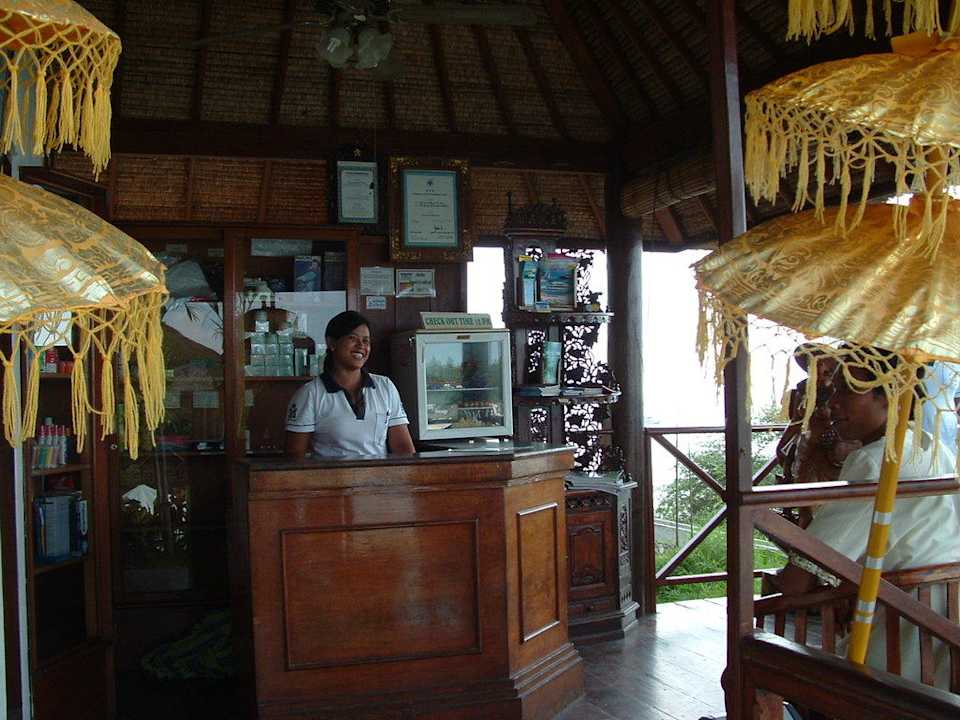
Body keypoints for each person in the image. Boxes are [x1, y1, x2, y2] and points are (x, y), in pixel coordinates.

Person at [772, 352, 960, 687]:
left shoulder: (875, 462)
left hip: (899, 646)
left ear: (888, 395)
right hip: (943, 629)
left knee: (757, 658)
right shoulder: (928, 446)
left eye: (848, 390)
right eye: (834, 392)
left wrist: (780, 572)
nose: (833, 405)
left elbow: (798, 580)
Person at [285, 310, 416, 459]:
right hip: (332, 480)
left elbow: (403, 448)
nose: (361, 346)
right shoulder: (310, 394)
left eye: (366, 341)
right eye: (353, 338)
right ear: (332, 343)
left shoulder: (385, 386)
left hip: (379, 479)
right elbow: (294, 456)